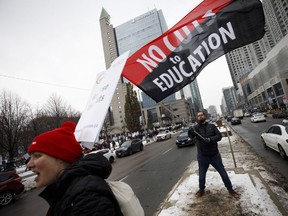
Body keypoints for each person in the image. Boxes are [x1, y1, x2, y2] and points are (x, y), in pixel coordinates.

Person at [27, 121, 123, 216]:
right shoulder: (65, 191)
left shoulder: (87, 196)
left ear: (61, 158)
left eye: (37, 155)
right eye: (30, 157)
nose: (29, 164)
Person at [188, 111, 240, 199]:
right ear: (197, 118)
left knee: (223, 174)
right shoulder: (195, 128)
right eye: (198, 116)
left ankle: (231, 190)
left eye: (201, 115)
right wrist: (190, 131)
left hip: (214, 155)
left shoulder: (211, 126)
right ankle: (201, 190)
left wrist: (210, 139)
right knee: (201, 175)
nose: (200, 116)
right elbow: (191, 138)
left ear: (204, 116)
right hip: (202, 156)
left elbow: (219, 136)